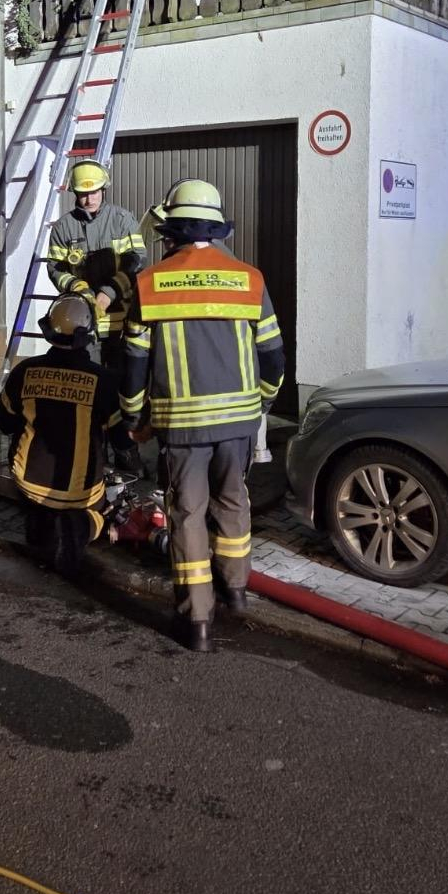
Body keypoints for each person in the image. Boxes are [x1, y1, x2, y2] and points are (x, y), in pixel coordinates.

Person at [120, 179, 285, 652]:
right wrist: (262, 403)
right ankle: (236, 590)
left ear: (171, 231)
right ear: (217, 230)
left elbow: (133, 365)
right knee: (233, 502)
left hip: (181, 427)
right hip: (238, 424)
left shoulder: (149, 283)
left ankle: (198, 622)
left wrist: (134, 418)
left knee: (188, 515)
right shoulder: (249, 279)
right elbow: (273, 358)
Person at [0, 294, 119, 580]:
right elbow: (122, 439)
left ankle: (40, 523)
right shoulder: (104, 380)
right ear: (87, 334)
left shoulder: (24, 371)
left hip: (28, 483)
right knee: (106, 509)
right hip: (81, 491)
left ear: (49, 331)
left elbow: (4, 422)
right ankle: (81, 528)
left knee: (39, 507)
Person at [47, 158, 147, 473]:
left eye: (93, 192)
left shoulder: (122, 219)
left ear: (104, 189)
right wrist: (79, 289)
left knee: (121, 390)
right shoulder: (64, 227)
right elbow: (56, 269)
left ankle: (126, 451)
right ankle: (93, 453)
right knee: (87, 388)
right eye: (82, 194)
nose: (88, 199)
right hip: (83, 326)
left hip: (119, 323)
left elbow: (136, 262)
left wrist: (109, 292)